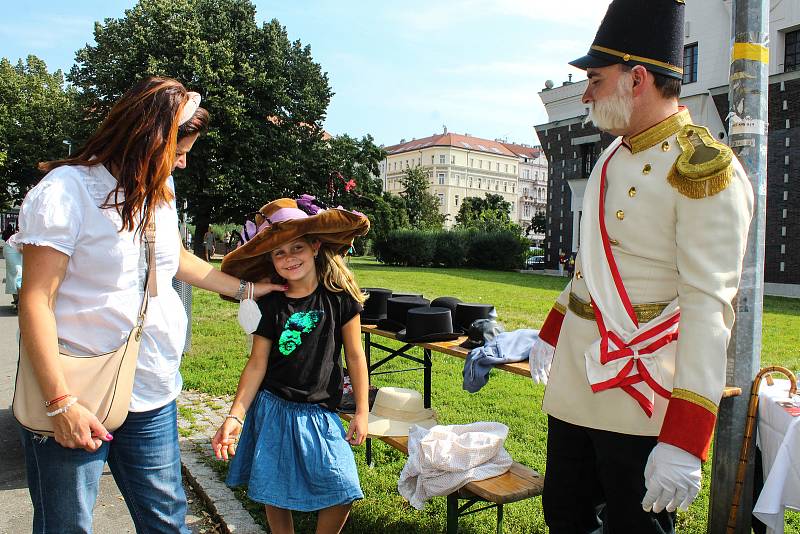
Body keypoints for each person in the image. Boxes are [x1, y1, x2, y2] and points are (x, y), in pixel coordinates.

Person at [12, 76, 285, 533]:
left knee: (166, 522)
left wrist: (247, 290)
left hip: (152, 389)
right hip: (77, 390)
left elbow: (175, 260)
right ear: (148, 140)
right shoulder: (64, 192)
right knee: (67, 526)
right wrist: (60, 403)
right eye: (178, 151)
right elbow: (36, 300)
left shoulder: (160, 191)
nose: (182, 162)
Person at [527, 1, 754, 532]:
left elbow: (708, 309)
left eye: (595, 80)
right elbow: (591, 270)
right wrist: (552, 330)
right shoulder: (611, 155)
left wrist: (685, 437)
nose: (585, 93)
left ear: (637, 78)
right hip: (576, 386)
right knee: (564, 514)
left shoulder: (702, 171)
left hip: (640, 391)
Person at [212, 197, 371, 534]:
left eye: (296, 247)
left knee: (341, 487)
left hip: (320, 412)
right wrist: (234, 415)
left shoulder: (341, 297)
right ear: (270, 259)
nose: (289, 258)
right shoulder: (269, 303)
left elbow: (355, 355)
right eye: (279, 253)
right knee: (275, 490)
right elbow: (257, 363)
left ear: (314, 246)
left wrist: (361, 411)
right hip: (274, 408)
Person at [3, 229, 22, 310]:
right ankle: (19, 302)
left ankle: (20, 301)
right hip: (11, 248)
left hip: (20, 249)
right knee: (17, 273)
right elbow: (22, 249)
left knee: (23, 275)